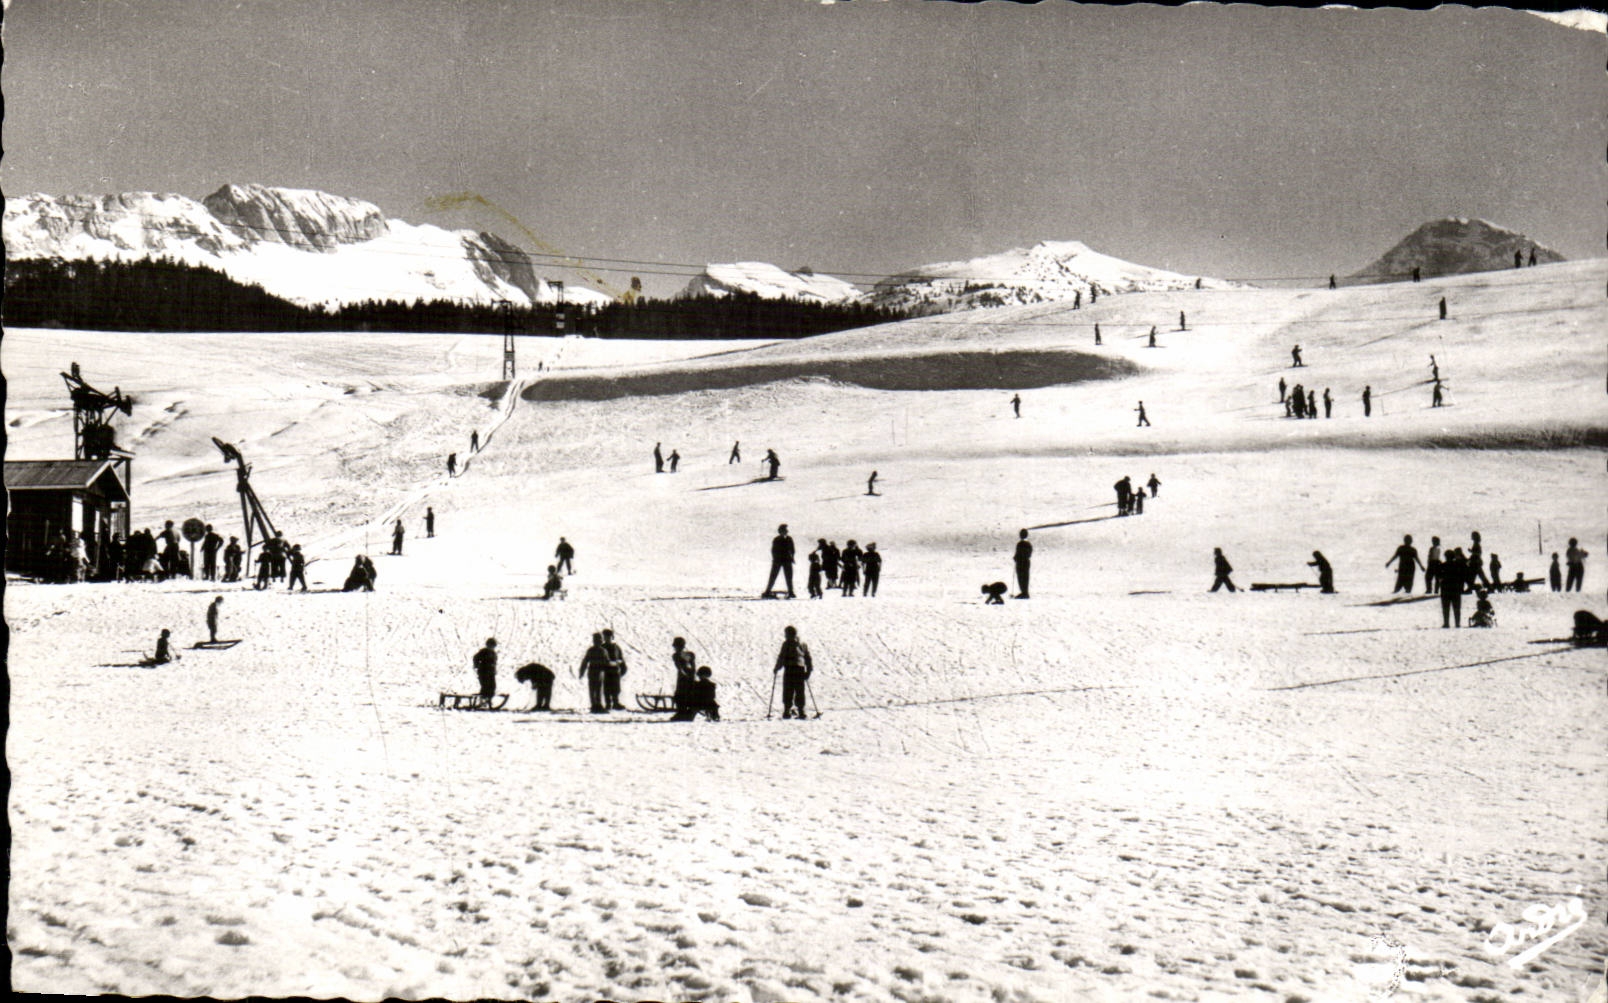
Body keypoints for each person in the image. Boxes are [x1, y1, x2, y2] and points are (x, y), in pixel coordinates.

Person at [773, 625, 813, 720]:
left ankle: (787, 710)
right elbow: (807, 657)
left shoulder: (787, 644)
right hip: (800, 669)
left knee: (788, 690)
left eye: (786, 634)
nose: (785, 636)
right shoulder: (803, 644)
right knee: (800, 690)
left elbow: (782, 657)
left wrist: (777, 668)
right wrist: (809, 670)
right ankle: (801, 710)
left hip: (790, 669)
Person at [578, 632, 609, 713]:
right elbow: (585, 661)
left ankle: (597, 705)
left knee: (596, 689)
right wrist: (582, 671)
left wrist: (582, 671)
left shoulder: (596, 650)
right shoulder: (601, 651)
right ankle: (595, 705)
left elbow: (585, 661)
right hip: (596, 671)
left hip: (597, 671)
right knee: (595, 688)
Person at [764, 524, 796, 598]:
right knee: (773, 576)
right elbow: (773, 550)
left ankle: (791, 591)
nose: (785, 532)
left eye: (785, 531)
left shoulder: (789, 539)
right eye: (783, 531)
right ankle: (767, 591)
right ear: (780, 532)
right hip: (778, 560)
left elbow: (792, 549)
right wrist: (775, 558)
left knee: (789, 577)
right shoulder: (776, 539)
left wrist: (792, 557)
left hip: (787, 560)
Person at [601, 628, 628, 710]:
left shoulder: (616, 647)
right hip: (606, 672)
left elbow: (621, 658)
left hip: (615, 671)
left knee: (616, 688)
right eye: (605, 637)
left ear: (612, 637)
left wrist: (622, 669)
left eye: (609, 637)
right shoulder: (602, 647)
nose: (607, 638)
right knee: (607, 689)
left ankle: (616, 703)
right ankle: (608, 704)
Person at [1439, 548, 1467, 628]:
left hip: (1445, 589)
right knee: (1457, 608)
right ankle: (1457, 623)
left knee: (1445, 608)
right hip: (1456, 589)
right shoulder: (1457, 565)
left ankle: (1446, 623)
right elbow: (1462, 577)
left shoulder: (1442, 566)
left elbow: (1439, 577)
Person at [671, 637, 697, 712]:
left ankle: (682, 710)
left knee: (680, 693)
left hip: (683, 677)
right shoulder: (690, 654)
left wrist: (684, 673)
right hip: (690, 676)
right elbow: (693, 666)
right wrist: (692, 674)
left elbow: (679, 667)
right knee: (689, 692)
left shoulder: (676, 655)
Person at [1013, 529, 1032, 599]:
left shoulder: (1020, 544)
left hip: (1020, 562)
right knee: (1025, 577)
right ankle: (1025, 592)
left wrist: (1015, 558)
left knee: (1021, 577)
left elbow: (1017, 553)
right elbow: (1029, 554)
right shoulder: (1028, 544)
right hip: (1026, 562)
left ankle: (1024, 592)